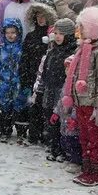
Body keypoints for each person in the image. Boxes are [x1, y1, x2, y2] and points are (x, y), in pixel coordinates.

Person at [63, 6, 98, 187]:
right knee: (84, 137)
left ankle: (97, 172)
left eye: (83, 27)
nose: (80, 30)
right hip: (81, 101)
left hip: (93, 104)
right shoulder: (84, 49)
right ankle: (87, 168)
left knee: (95, 139)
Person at [33, 17, 77, 161]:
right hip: (50, 90)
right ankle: (53, 147)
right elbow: (44, 73)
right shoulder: (52, 52)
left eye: (61, 33)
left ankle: (64, 150)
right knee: (50, 120)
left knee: (63, 122)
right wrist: (40, 90)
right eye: (56, 33)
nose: (57, 36)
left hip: (62, 91)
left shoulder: (72, 53)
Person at [20, 3, 56, 145]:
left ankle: (46, 135)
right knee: (34, 107)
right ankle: (34, 134)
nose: (41, 19)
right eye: (38, 16)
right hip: (33, 76)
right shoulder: (30, 36)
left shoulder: (53, 36)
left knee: (46, 107)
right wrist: (25, 76)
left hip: (48, 77)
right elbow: (25, 58)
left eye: (44, 16)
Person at [0, 18, 29, 143]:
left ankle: (21, 132)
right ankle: (5, 131)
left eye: (13, 32)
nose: (10, 35)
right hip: (4, 84)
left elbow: (26, 67)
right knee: (5, 109)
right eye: (7, 32)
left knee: (20, 108)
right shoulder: (0, 50)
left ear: (18, 33)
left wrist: (26, 82)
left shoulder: (22, 50)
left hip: (19, 84)